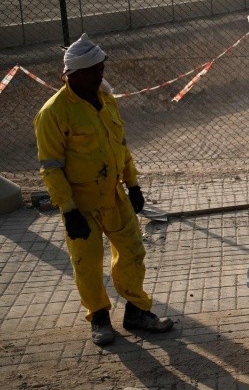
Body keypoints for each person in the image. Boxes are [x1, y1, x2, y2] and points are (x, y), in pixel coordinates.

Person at [33, 34, 173, 347]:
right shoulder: (53, 113)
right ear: (73, 75)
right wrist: (68, 210)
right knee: (87, 262)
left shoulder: (105, 99)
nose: (101, 75)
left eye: (101, 68)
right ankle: (98, 316)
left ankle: (137, 311)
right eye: (94, 70)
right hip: (80, 202)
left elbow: (120, 146)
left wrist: (133, 184)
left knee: (133, 251)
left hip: (113, 194)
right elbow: (51, 167)